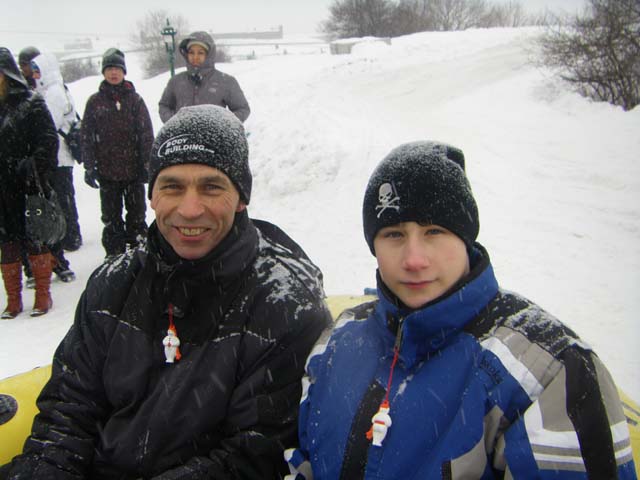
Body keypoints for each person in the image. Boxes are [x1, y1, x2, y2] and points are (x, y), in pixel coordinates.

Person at [3, 104, 332, 479]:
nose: (190, 210)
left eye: (211, 187)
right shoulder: (114, 282)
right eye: (172, 186)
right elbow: (69, 407)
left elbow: (256, 452)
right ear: (152, 196)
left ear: (241, 197)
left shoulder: (284, 301)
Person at [285, 141, 637, 479]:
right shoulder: (338, 341)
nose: (414, 259)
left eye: (434, 231)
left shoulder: (549, 370)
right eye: (393, 234)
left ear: (466, 238)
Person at [0, 47, 58, 318]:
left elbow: (48, 141)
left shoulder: (31, 102)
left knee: (35, 237)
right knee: (7, 241)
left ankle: (42, 295)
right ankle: (13, 299)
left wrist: (32, 164)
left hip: (28, 184)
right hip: (2, 188)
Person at [81, 48, 154, 258]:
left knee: (137, 215)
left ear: (124, 72)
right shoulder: (95, 102)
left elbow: (146, 134)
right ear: (104, 72)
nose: (114, 73)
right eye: (110, 68)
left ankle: (139, 252)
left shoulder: (135, 100)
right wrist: (89, 165)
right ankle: (114, 254)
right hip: (107, 171)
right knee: (111, 217)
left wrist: (147, 165)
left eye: (117, 69)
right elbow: (86, 135)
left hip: (133, 171)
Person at [31, 52, 82, 281]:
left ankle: (68, 236)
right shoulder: (58, 89)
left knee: (60, 202)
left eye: (37, 70)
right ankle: (71, 235)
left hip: (57, 157)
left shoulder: (52, 93)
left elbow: (47, 124)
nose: (34, 74)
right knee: (64, 200)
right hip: (60, 156)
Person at [158, 31, 250, 123]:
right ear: (186, 54)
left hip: (215, 137)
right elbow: (164, 106)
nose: (195, 57)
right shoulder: (176, 81)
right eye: (191, 52)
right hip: (182, 135)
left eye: (200, 53)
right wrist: (174, 122)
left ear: (208, 55)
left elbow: (242, 109)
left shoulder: (226, 81)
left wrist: (221, 124)